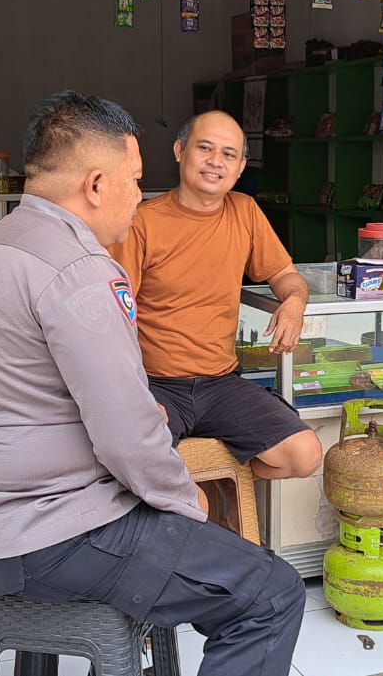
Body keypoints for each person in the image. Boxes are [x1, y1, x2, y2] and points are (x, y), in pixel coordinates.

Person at [0, 91, 304, 676]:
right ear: (98, 184)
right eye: (135, 180)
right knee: (271, 593)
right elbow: (127, 435)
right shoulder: (81, 271)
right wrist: (188, 499)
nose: (140, 195)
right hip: (50, 531)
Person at [107, 110, 323, 482]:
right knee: (133, 466)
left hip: (221, 384)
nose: (215, 162)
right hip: (155, 384)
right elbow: (112, 315)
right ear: (179, 150)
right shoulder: (141, 222)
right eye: (204, 148)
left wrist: (294, 303)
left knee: (303, 456)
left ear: (240, 167)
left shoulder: (246, 212)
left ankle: (222, 480)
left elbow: (286, 275)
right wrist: (129, 391)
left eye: (228, 154)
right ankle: (194, 493)